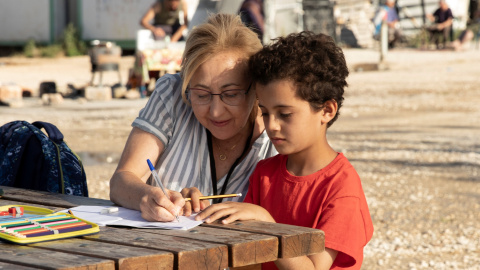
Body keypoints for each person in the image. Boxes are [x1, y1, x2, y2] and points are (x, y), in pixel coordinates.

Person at [196, 31, 374, 270]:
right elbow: (248, 262)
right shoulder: (265, 173)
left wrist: (267, 226)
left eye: (285, 114)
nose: (271, 125)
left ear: (327, 110)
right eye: (265, 112)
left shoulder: (342, 188)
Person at [110, 13, 277, 222]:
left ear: (256, 89)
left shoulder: (277, 130)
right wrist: (148, 197)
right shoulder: (172, 94)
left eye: (231, 94)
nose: (215, 112)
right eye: (201, 94)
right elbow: (121, 182)